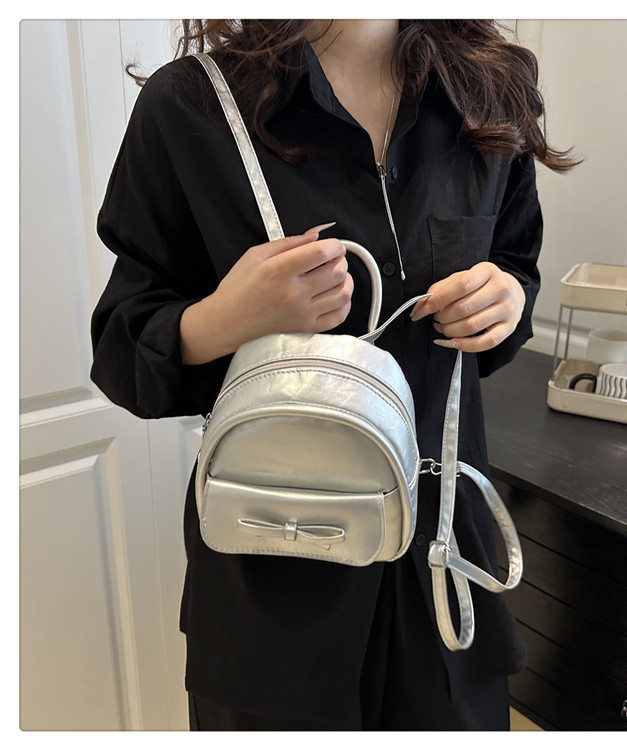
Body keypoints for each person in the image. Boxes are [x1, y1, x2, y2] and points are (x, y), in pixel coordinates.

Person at [90, 19, 577, 731]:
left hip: (442, 565)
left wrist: (504, 301)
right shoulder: (192, 106)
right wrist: (230, 318)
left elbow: (515, 267)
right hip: (274, 575)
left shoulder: (492, 90)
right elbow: (120, 348)